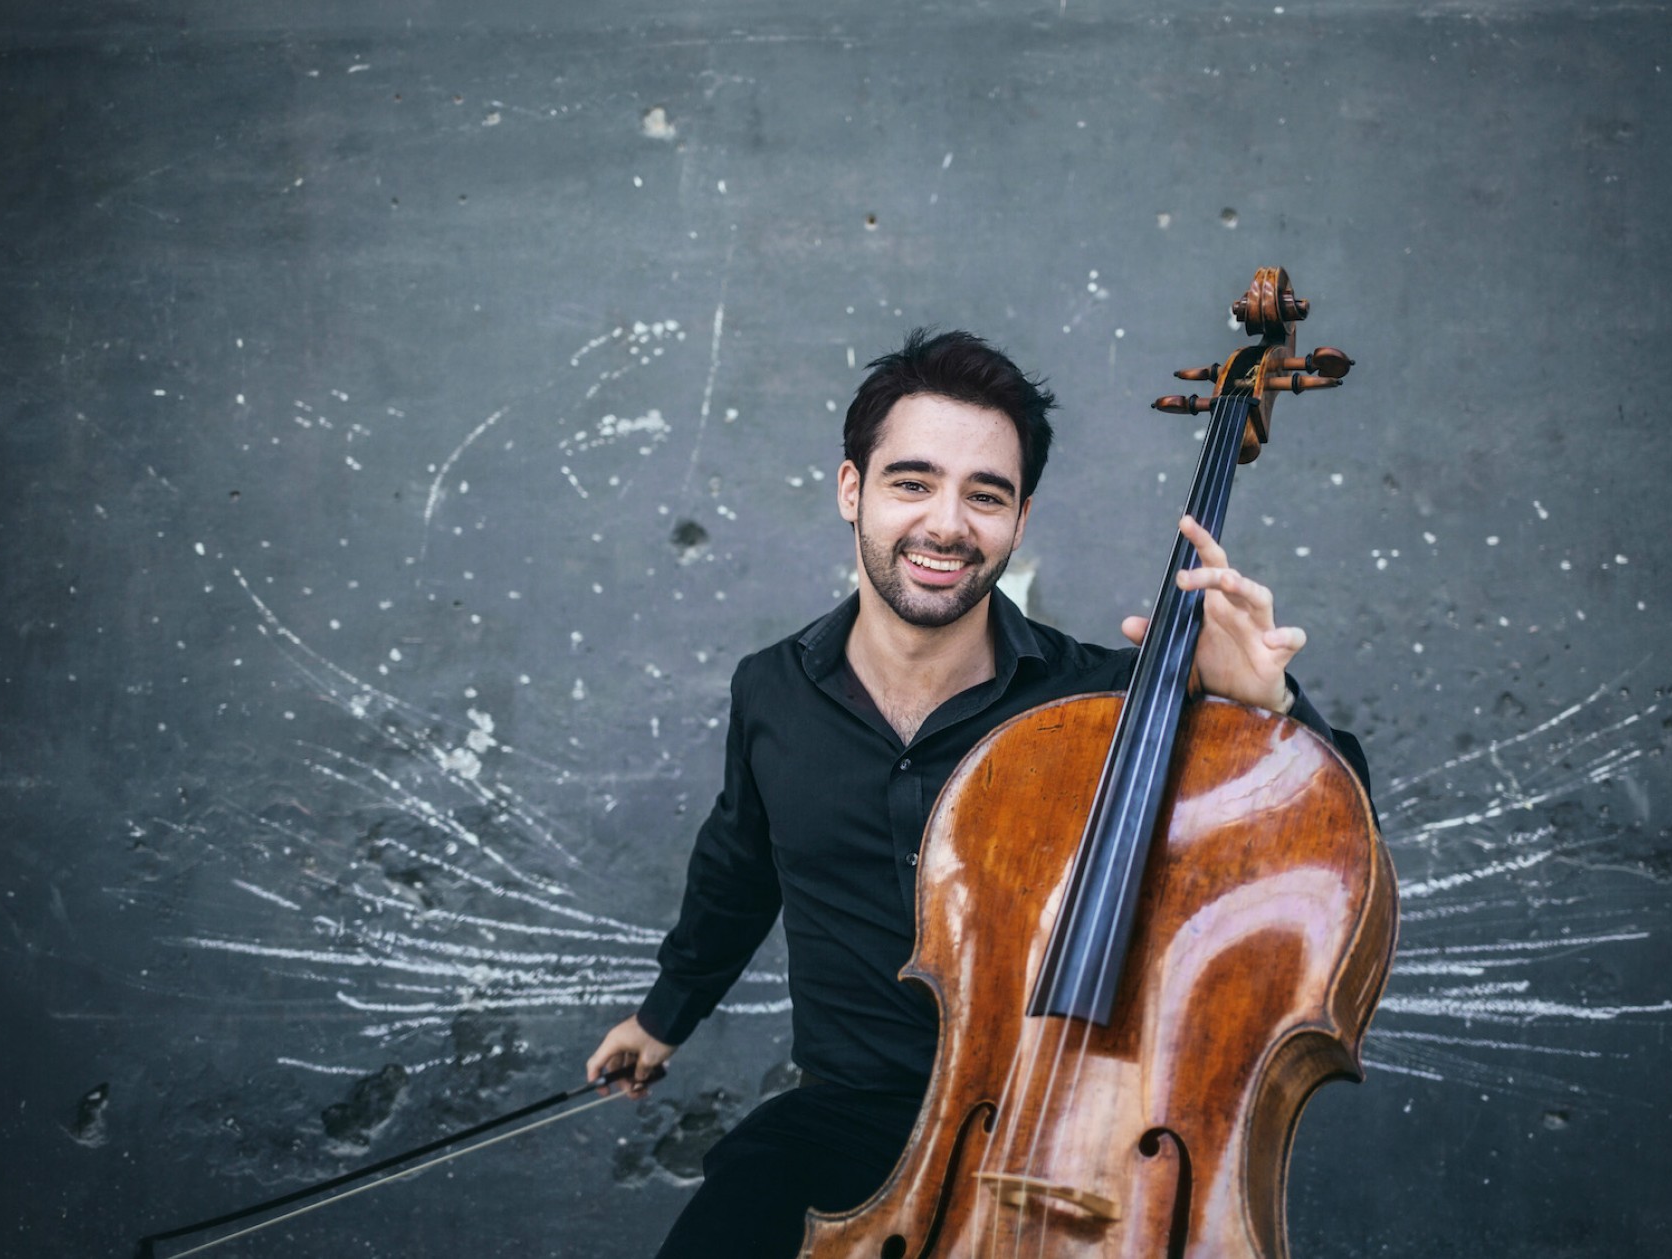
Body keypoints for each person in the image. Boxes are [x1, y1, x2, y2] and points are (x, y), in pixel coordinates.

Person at [585, 329, 1371, 1258]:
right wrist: (663, 1016)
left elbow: (1323, 851)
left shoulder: (1107, 710)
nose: (947, 523)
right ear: (854, 490)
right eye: (912, 482)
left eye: (985, 494)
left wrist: (1270, 704)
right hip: (845, 1121)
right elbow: (740, 865)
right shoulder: (771, 691)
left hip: (1084, 1135)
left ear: (1019, 519)